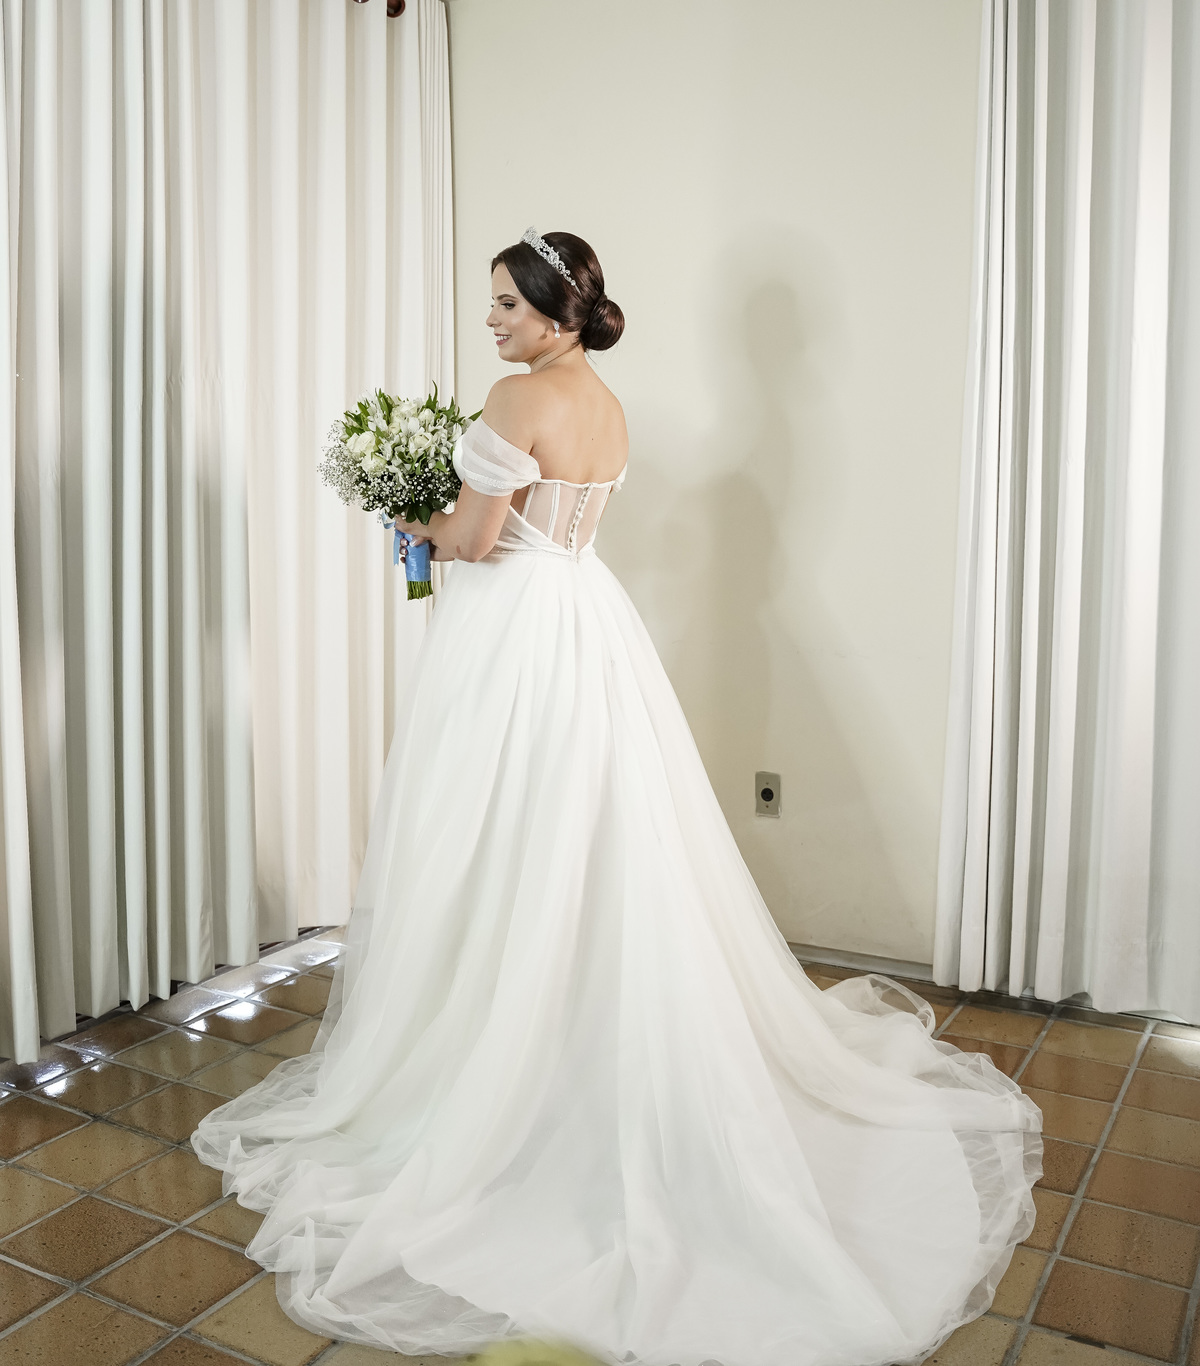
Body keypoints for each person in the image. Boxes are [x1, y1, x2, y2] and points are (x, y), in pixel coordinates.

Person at [192, 228, 1042, 1366]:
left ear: (555, 310)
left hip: (512, 637)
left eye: (507, 303)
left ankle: (500, 1059)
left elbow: (479, 538)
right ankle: (564, 1030)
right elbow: (557, 529)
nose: (491, 320)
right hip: (587, 621)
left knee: (494, 835)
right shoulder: (608, 403)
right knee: (590, 835)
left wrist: (408, 521)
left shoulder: (516, 397)